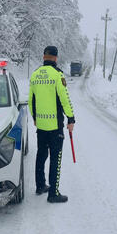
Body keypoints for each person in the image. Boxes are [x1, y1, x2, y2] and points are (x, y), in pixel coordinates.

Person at [28, 46, 75, 203]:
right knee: (56, 157)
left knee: (41, 154)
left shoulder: (34, 75)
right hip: (55, 126)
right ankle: (53, 194)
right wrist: (71, 118)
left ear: (43, 57)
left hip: (40, 125)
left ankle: (40, 185)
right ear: (55, 58)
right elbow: (64, 99)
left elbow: (30, 101)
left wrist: (35, 117)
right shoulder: (57, 75)